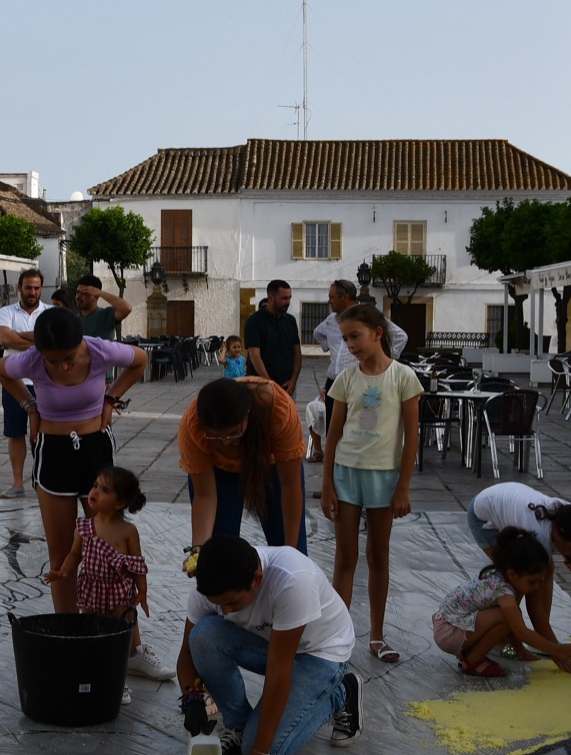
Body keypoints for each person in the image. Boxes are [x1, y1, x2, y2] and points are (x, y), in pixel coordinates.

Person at [0, 308, 150, 623]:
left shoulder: (99, 349)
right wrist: (30, 406)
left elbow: (140, 360)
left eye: (68, 358)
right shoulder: (32, 359)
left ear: (81, 342)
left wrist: (111, 399)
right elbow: (3, 371)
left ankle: (118, 634)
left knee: (107, 546)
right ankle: (68, 630)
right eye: (52, 362)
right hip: (54, 453)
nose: (62, 367)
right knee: (62, 552)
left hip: (95, 451)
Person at [177, 535, 361, 755]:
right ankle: (239, 726)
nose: (226, 611)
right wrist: (191, 700)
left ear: (257, 580)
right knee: (203, 637)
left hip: (320, 653)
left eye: (232, 603)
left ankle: (341, 692)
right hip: (272, 643)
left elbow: (279, 670)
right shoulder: (211, 582)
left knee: (270, 753)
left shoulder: (292, 581)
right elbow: (188, 652)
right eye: (218, 605)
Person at [320, 303, 421, 663]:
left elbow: (412, 437)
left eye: (355, 336)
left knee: (378, 556)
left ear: (377, 334)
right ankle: (337, 638)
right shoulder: (346, 380)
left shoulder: (404, 378)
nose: (350, 345)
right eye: (345, 339)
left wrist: (403, 487)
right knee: (345, 557)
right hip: (346, 474)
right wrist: (327, 485)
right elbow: (332, 436)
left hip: (384, 477)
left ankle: (377, 636)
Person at [46, 467, 156, 694]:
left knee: (117, 637)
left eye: (104, 490)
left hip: (118, 591)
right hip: (90, 589)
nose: (94, 491)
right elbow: (74, 554)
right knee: (92, 634)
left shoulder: (128, 531)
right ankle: (93, 676)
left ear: (120, 503)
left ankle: (117, 682)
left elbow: (137, 565)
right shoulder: (84, 527)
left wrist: (142, 591)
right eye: (95, 485)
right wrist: (62, 571)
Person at [466, 482, 571, 655]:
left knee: (545, 570)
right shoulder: (538, 537)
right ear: (559, 534)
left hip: (503, 499)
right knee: (514, 584)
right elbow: (534, 606)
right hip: (482, 516)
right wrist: (555, 649)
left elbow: (538, 595)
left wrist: (570, 555)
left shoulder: (570, 516)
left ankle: (538, 635)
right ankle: (499, 638)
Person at [432, 527, 571, 677]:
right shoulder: (502, 590)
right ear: (512, 574)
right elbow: (520, 631)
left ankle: (469, 653)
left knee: (510, 617)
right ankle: (473, 660)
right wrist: (557, 650)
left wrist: (521, 652)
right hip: (449, 633)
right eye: (532, 581)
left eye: (540, 581)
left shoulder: (500, 577)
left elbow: (512, 629)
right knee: (509, 617)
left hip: (449, 626)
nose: (537, 587)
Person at [180, 377, 307, 552]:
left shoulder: (279, 410)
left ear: (247, 414)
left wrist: (291, 553)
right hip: (220, 471)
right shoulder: (193, 425)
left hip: (272, 466)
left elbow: (290, 485)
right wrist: (198, 551)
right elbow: (204, 496)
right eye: (215, 436)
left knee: (291, 548)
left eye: (233, 433)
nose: (226, 441)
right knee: (219, 553)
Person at [310, 279, 409, 462]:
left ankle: (356, 464)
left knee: (357, 427)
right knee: (333, 429)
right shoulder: (331, 321)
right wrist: (331, 348)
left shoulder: (366, 316)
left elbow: (400, 336)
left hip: (358, 381)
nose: (329, 301)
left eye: (332, 297)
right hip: (334, 381)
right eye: (345, 338)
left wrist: (385, 359)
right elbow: (317, 333)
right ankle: (334, 471)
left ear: (345, 297)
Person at [0, 268, 49, 498]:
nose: (32, 292)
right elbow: (4, 338)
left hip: (43, 382)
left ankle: (43, 481)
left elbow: (53, 341)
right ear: (19, 288)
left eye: (36, 288)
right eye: (28, 287)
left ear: (41, 289)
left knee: (43, 433)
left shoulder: (50, 313)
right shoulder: (6, 312)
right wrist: (38, 340)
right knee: (15, 432)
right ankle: (17, 483)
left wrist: (20, 336)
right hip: (14, 382)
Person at [242, 279, 301, 397]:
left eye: (289, 298)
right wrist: (269, 383)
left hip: (287, 387)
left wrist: (293, 380)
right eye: (284, 298)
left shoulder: (290, 321)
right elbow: (255, 355)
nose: (288, 302)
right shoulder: (254, 321)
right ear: (271, 297)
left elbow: (297, 353)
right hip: (260, 387)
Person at [75, 274, 132, 342]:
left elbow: (127, 308)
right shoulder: (74, 320)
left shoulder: (106, 315)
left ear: (95, 296)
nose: (79, 296)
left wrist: (101, 293)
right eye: (78, 292)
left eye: (84, 293)